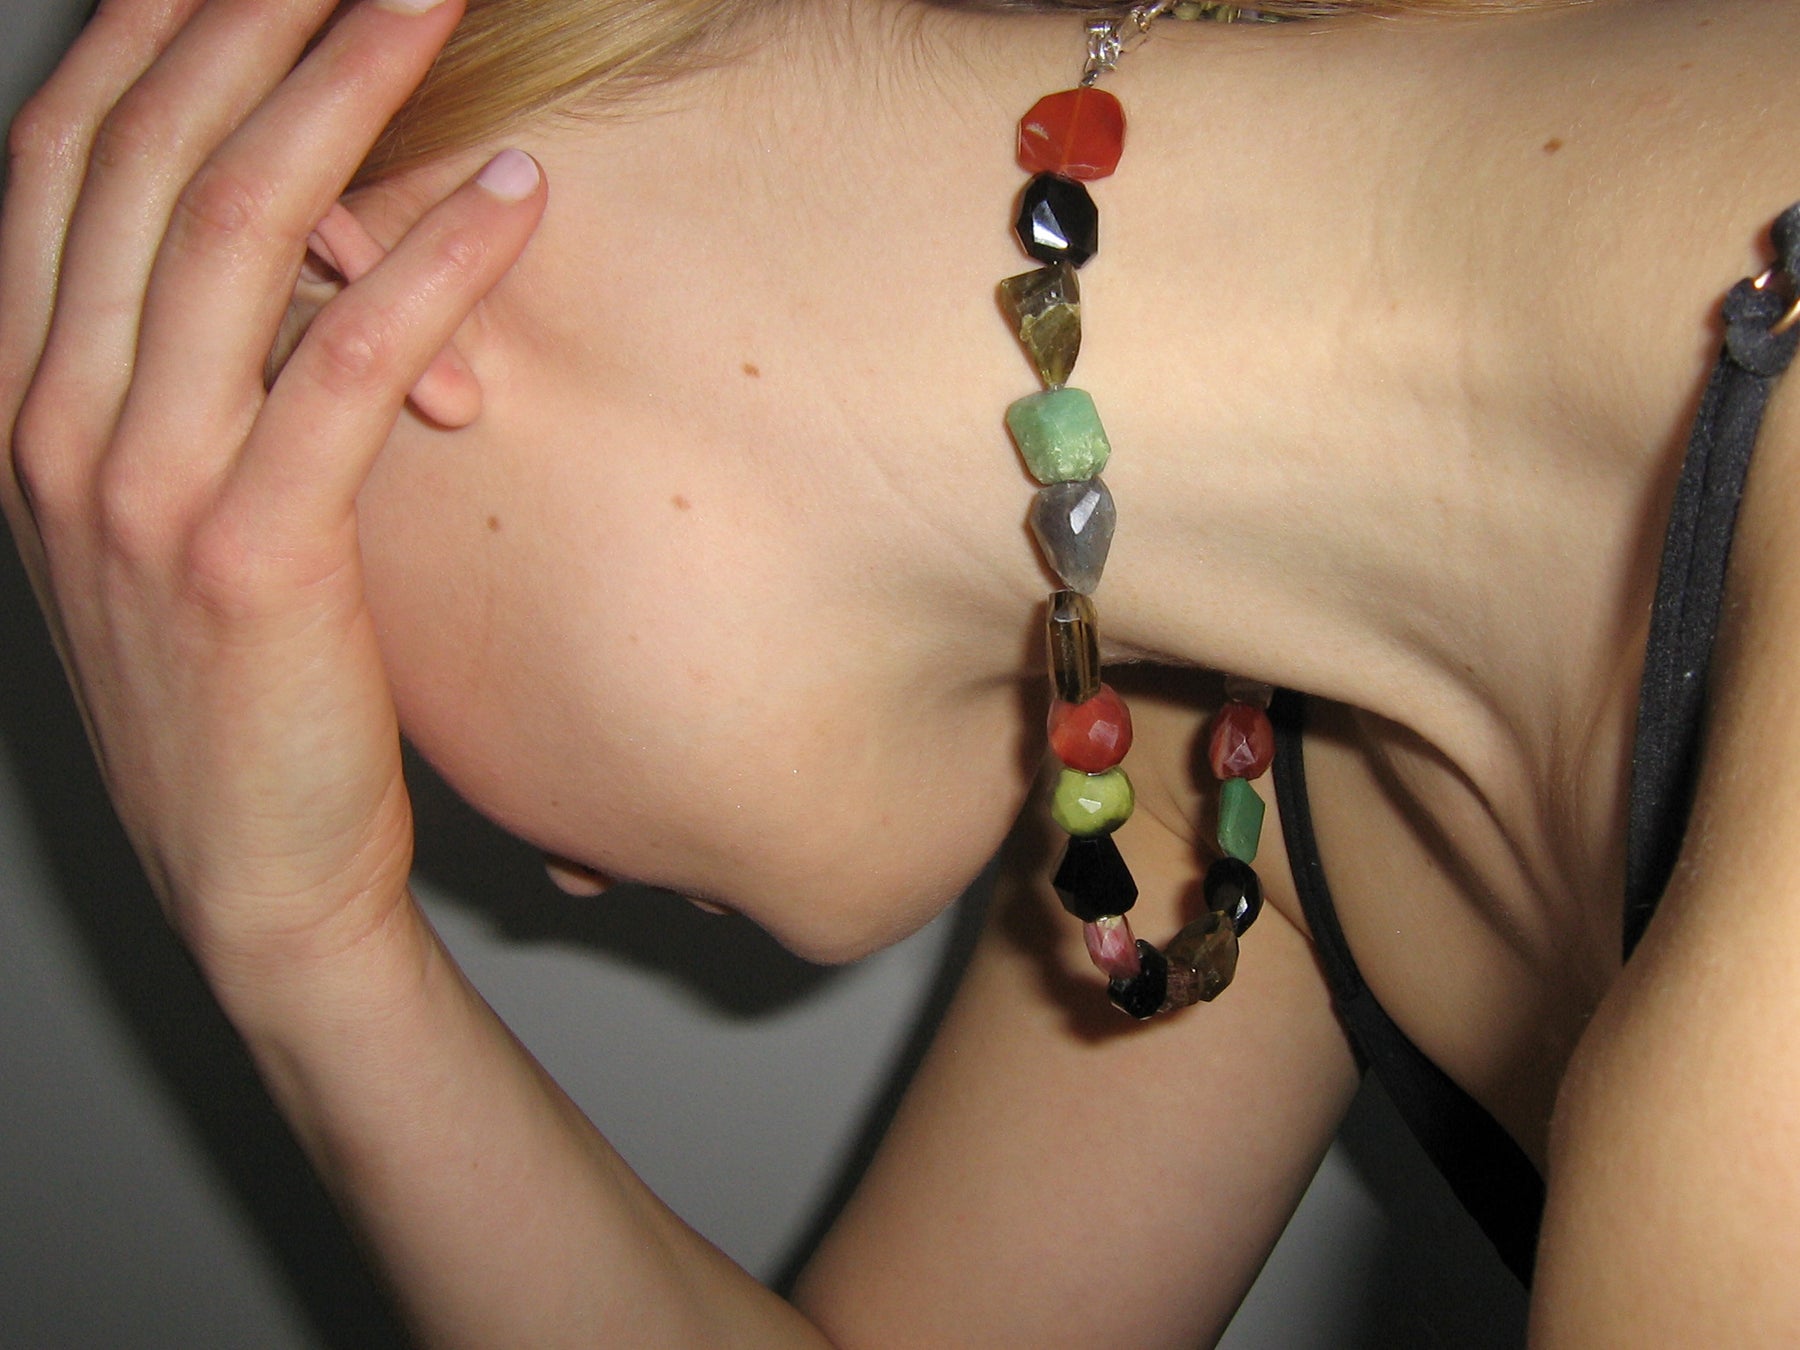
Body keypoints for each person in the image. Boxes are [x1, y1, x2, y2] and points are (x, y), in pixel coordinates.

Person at [5, 0, 1800, 1342]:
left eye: (272, 615)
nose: (551, 877)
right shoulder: (1244, 752)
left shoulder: (1753, 1107)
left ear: (395, 319)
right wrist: (307, 943)